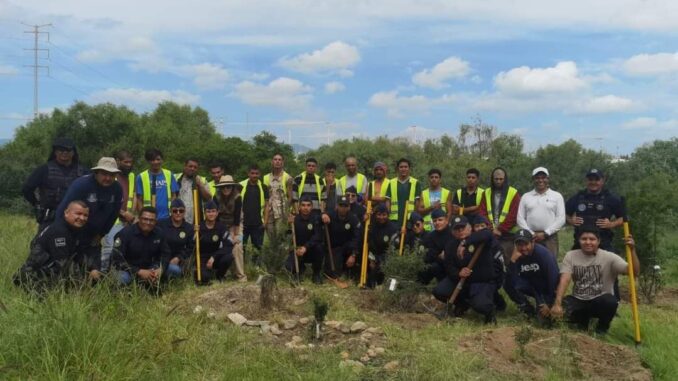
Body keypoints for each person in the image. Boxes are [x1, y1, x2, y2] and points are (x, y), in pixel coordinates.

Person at [551, 227, 640, 335]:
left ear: (598, 241)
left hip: (599, 300)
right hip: (579, 299)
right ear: (579, 240)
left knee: (610, 302)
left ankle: (602, 327)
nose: (588, 242)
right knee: (552, 315)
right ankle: (583, 321)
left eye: (592, 239)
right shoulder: (571, 255)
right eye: (584, 239)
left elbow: (634, 272)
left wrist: (632, 250)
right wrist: (557, 303)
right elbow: (565, 279)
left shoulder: (609, 257)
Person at [55, 157, 123, 282]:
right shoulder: (81, 185)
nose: (107, 178)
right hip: (73, 231)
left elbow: (114, 214)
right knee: (67, 265)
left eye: (111, 175)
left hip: (94, 235)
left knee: (95, 269)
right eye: (104, 174)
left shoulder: (117, 189)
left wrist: (102, 234)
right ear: (96, 173)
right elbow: (63, 210)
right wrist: (61, 233)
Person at [433, 216, 499, 324]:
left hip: (480, 281)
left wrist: (465, 243)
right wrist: (458, 273)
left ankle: (490, 313)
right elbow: (449, 266)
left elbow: (487, 233)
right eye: (456, 229)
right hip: (461, 280)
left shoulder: (480, 239)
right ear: (452, 232)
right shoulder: (450, 245)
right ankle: (462, 304)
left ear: (469, 228)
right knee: (439, 291)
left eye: (462, 228)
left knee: (480, 305)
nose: (460, 231)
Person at [13, 201, 89, 291]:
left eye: (85, 215)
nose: (82, 218)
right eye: (78, 214)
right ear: (66, 213)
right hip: (35, 278)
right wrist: (84, 286)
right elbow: (63, 263)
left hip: (48, 273)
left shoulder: (72, 229)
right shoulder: (59, 231)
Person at [22, 137, 88, 232]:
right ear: (55, 152)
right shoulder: (44, 169)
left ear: (73, 152)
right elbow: (27, 189)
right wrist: (37, 204)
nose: (64, 153)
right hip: (50, 217)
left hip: (77, 219)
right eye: (61, 150)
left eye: (68, 150)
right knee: (44, 245)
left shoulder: (83, 172)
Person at [505, 229, 560, 320]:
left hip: (545, 290)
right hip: (531, 287)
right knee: (508, 282)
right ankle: (526, 307)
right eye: (519, 245)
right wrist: (512, 261)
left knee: (544, 320)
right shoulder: (516, 255)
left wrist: (551, 303)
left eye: (526, 244)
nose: (523, 248)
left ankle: (544, 304)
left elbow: (554, 280)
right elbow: (510, 280)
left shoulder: (544, 255)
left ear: (532, 242)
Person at [565, 169, 624, 251]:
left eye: (597, 179)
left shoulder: (610, 198)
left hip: (604, 243)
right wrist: (571, 220)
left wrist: (612, 224)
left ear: (602, 181)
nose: (593, 182)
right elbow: (563, 214)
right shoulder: (578, 197)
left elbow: (623, 218)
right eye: (590, 180)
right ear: (586, 181)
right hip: (581, 243)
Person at [111, 206, 170, 288]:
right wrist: (138, 271)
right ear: (139, 219)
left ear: (156, 221)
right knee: (122, 278)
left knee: (173, 269)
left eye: (152, 220)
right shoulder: (125, 234)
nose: (148, 222)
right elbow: (117, 260)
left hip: (150, 268)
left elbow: (166, 254)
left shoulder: (159, 233)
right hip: (129, 270)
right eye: (145, 219)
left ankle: (153, 283)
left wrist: (161, 269)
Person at [517, 167, 565, 257]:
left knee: (550, 264)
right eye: (537, 178)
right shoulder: (526, 196)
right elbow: (520, 218)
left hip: (550, 237)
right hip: (530, 238)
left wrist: (546, 233)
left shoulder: (557, 196)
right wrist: (531, 234)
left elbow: (561, 219)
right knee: (530, 264)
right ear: (533, 179)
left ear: (548, 179)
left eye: (543, 177)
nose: (540, 180)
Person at [101, 150, 136, 272]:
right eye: (125, 162)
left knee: (124, 250)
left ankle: (118, 277)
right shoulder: (111, 177)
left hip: (127, 222)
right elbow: (106, 200)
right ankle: (103, 277)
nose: (128, 165)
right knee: (109, 250)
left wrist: (132, 216)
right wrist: (122, 213)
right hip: (112, 221)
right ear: (118, 161)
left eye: (130, 162)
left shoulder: (132, 176)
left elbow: (133, 196)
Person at [479, 167, 521, 262]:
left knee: (506, 262)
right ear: (492, 179)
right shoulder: (486, 193)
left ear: (505, 179)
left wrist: (500, 229)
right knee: (490, 261)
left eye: (501, 179)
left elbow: (514, 215)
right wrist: (491, 228)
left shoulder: (513, 193)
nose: (498, 181)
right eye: (496, 179)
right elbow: (482, 212)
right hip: (490, 234)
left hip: (507, 236)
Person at [213, 175, 246, 282]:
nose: (226, 189)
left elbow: (237, 218)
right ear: (220, 188)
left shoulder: (237, 197)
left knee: (237, 246)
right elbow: (215, 217)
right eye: (223, 187)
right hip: (221, 225)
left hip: (235, 225)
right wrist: (222, 233)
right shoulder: (216, 197)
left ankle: (240, 275)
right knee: (221, 245)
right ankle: (223, 274)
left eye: (228, 187)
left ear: (232, 187)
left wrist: (235, 234)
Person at [287, 196, 324, 284]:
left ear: (312, 207)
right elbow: (287, 237)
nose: (305, 208)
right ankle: (298, 271)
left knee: (320, 247)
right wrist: (288, 225)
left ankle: (316, 273)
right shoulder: (294, 220)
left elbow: (317, 236)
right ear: (299, 207)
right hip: (298, 251)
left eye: (308, 205)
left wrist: (306, 247)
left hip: (311, 250)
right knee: (288, 266)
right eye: (303, 205)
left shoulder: (316, 219)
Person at [196, 201, 234, 284]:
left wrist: (214, 257)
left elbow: (229, 246)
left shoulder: (221, 227)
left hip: (216, 257)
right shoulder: (198, 227)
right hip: (202, 259)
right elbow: (191, 245)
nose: (211, 214)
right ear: (205, 213)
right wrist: (195, 234)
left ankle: (219, 275)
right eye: (208, 212)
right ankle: (207, 274)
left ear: (217, 213)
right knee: (205, 278)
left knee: (229, 257)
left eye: (213, 211)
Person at [135, 148, 179, 220]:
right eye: (152, 160)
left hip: (167, 217)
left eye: (158, 159)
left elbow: (174, 195)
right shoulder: (141, 177)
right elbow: (139, 200)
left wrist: (172, 213)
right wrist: (143, 217)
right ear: (148, 161)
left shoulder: (169, 174)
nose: (155, 162)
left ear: (162, 160)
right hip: (149, 218)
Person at [324, 195, 361, 279]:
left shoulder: (353, 219)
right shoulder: (330, 215)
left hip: (348, 248)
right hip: (334, 248)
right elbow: (318, 218)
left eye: (345, 206)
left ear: (349, 207)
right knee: (332, 273)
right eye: (341, 205)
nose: (343, 208)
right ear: (337, 206)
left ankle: (350, 272)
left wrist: (353, 255)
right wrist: (323, 216)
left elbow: (357, 237)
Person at [157, 199, 194, 280]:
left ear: (184, 212)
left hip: (178, 261)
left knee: (175, 270)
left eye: (181, 210)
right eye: (175, 211)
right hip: (161, 259)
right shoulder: (160, 224)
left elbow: (190, 247)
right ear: (170, 211)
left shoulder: (189, 228)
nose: (178, 213)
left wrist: (179, 257)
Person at [239, 165, 270, 261]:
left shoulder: (264, 187)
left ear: (259, 174)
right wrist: (238, 222)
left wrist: (265, 222)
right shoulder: (240, 186)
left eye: (256, 173)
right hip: (243, 224)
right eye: (252, 173)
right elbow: (236, 204)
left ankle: (255, 268)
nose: (254, 175)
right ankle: (242, 267)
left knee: (257, 249)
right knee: (241, 248)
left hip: (258, 224)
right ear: (248, 173)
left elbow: (267, 206)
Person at [364, 203, 398, 288]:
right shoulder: (371, 226)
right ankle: (372, 285)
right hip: (374, 258)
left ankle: (391, 289)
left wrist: (379, 259)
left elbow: (394, 249)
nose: (381, 217)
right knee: (371, 284)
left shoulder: (393, 228)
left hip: (388, 259)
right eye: (379, 215)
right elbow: (369, 244)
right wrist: (371, 259)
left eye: (384, 215)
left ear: (388, 215)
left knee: (392, 272)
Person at [386, 158, 422, 229]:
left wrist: (415, 217)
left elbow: (417, 202)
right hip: (394, 220)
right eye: (401, 167)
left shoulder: (415, 182)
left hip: (409, 219)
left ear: (409, 168)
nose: (403, 169)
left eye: (406, 167)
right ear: (397, 169)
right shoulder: (391, 182)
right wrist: (387, 215)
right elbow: (388, 201)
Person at [263, 153, 294, 234]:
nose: (277, 161)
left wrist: (286, 213)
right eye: (275, 159)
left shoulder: (288, 178)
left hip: (281, 213)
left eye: (279, 160)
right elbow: (265, 197)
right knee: (271, 239)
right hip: (269, 213)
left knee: (281, 237)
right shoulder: (266, 178)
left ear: (282, 162)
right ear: (272, 162)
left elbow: (290, 197)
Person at [418, 209, 450, 285]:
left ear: (446, 220)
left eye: (440, 220)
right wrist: (439, 256)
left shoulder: (453, 233)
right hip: (436, 267)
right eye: (435, 221)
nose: (437, 223)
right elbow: (427, 256)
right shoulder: (430, 236)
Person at [175, 158, 211, 224]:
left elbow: (209, 198)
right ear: (185, 166)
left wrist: (200, 185)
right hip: (177, 217)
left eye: (195, 167)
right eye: (190, 166)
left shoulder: (202, 180)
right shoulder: (176, 178)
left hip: (196, 220)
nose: (192, 169)